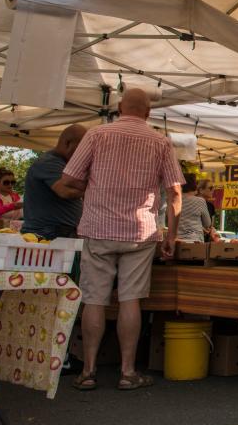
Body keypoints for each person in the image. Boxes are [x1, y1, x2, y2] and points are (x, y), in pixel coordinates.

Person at [56, 88, 184, 391]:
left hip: (99, 228)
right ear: (149, 113)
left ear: (117, 107)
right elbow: (175, 192)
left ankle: (87, 371)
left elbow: (69, 179)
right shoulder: (160, 142)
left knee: (94, 299)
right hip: (140, 231)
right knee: (131, 300)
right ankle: (127, 372)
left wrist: (96, 185)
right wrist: (173, 235)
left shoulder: (96, 135)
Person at [22, 125, 87, 239]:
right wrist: (94, 186)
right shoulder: (49, 162)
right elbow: (65, 191)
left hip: (56, 232)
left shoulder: (62, 164)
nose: (83, 154)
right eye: (81, 149)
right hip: (47, 233)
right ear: (67, 143)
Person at [176, 174, 213, 243]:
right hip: (196, 241)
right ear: (194, 186)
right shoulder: (200, 201)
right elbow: (207, 223)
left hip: (178, 240)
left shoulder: (175, 201)